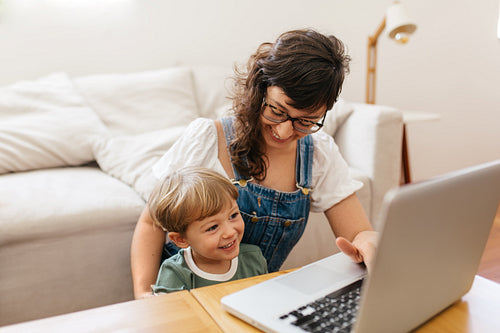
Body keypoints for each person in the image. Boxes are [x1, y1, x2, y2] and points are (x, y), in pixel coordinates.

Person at [131, 28, 377, 299]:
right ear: (260, 89)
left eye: (305, 121)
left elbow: (357, 233)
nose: (284, 132)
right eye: (277, 111)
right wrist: (144, 294)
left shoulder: (318, 154)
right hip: (185, 296)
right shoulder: (208, 138)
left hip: (253, 298)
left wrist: (367, 240)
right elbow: (151, 222)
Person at [148, 167, 267, 294]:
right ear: (181, 239)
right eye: (213, 227)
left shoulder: (254, 258)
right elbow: (171, 313)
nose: (230, 232)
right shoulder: (174, 273)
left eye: (233, 216)